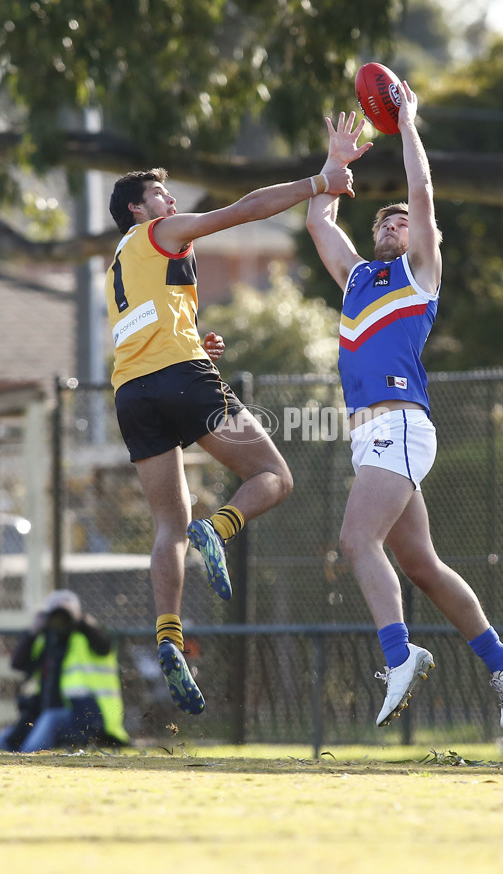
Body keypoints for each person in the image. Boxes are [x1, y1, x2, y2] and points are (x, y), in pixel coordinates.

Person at [305, 82, 503, 730]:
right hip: (371, 437)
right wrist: (337, 163)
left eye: (402, 220)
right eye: (385, 219)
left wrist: (407, 125)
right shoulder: (356, 277)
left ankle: (400, 656)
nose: (394, 223)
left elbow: (425, 195)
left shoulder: (419, 275)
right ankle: (500, 657)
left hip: (400, 427)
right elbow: (319, 220)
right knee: (424, 567)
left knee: (355, 540)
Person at [106, 160, 355, 715]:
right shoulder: (159, 232)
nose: (170, 203)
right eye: (159, 195)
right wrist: (320, 183)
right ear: (136, 209)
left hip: (131, 392)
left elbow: (145, 323)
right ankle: (218, 528)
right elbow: (244, 211)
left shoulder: (120, 261)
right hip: (178, 377)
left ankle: (168, 636)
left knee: (167, 524)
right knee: (273, 476)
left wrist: (195, 341)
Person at [0, 590, 128, 752]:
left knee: (49, 720)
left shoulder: (86, 636)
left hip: (92, 715)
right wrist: (33, 631)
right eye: (55, 613)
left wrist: (83, 621)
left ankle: (26, 757)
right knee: (6, 738)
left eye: (65, 613)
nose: (60, 619)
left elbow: (103, 646)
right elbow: (18, 663)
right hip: (51, 711)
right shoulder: (46, 640)